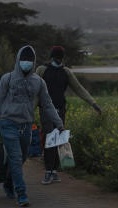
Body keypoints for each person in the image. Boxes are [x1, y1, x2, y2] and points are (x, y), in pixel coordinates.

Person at [0, 45, 63, 207]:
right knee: (16, 157)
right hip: (8, 124)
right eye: (23, 59)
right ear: (18, 60)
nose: (26, 63)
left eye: (29, 60)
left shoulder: (39, 82)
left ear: (33, 62)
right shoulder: (7, 79)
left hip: (26, 126)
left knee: (21, 158)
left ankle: (8, 182)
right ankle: (21, 193)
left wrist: (59, 123)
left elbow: (47, 105)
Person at [36, 45, 102, 185]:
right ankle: (48, 171)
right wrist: (30, 108)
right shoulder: (42, 70)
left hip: (60, 109)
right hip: (46, 110)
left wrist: (93, 103)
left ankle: (54, 171)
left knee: (58, 139)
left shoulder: (66, 72)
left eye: (60, 58)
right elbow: (34, 90)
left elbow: (79, 89)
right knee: (49, 138)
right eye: (56, 57)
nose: (58, 60)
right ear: (52, 57)